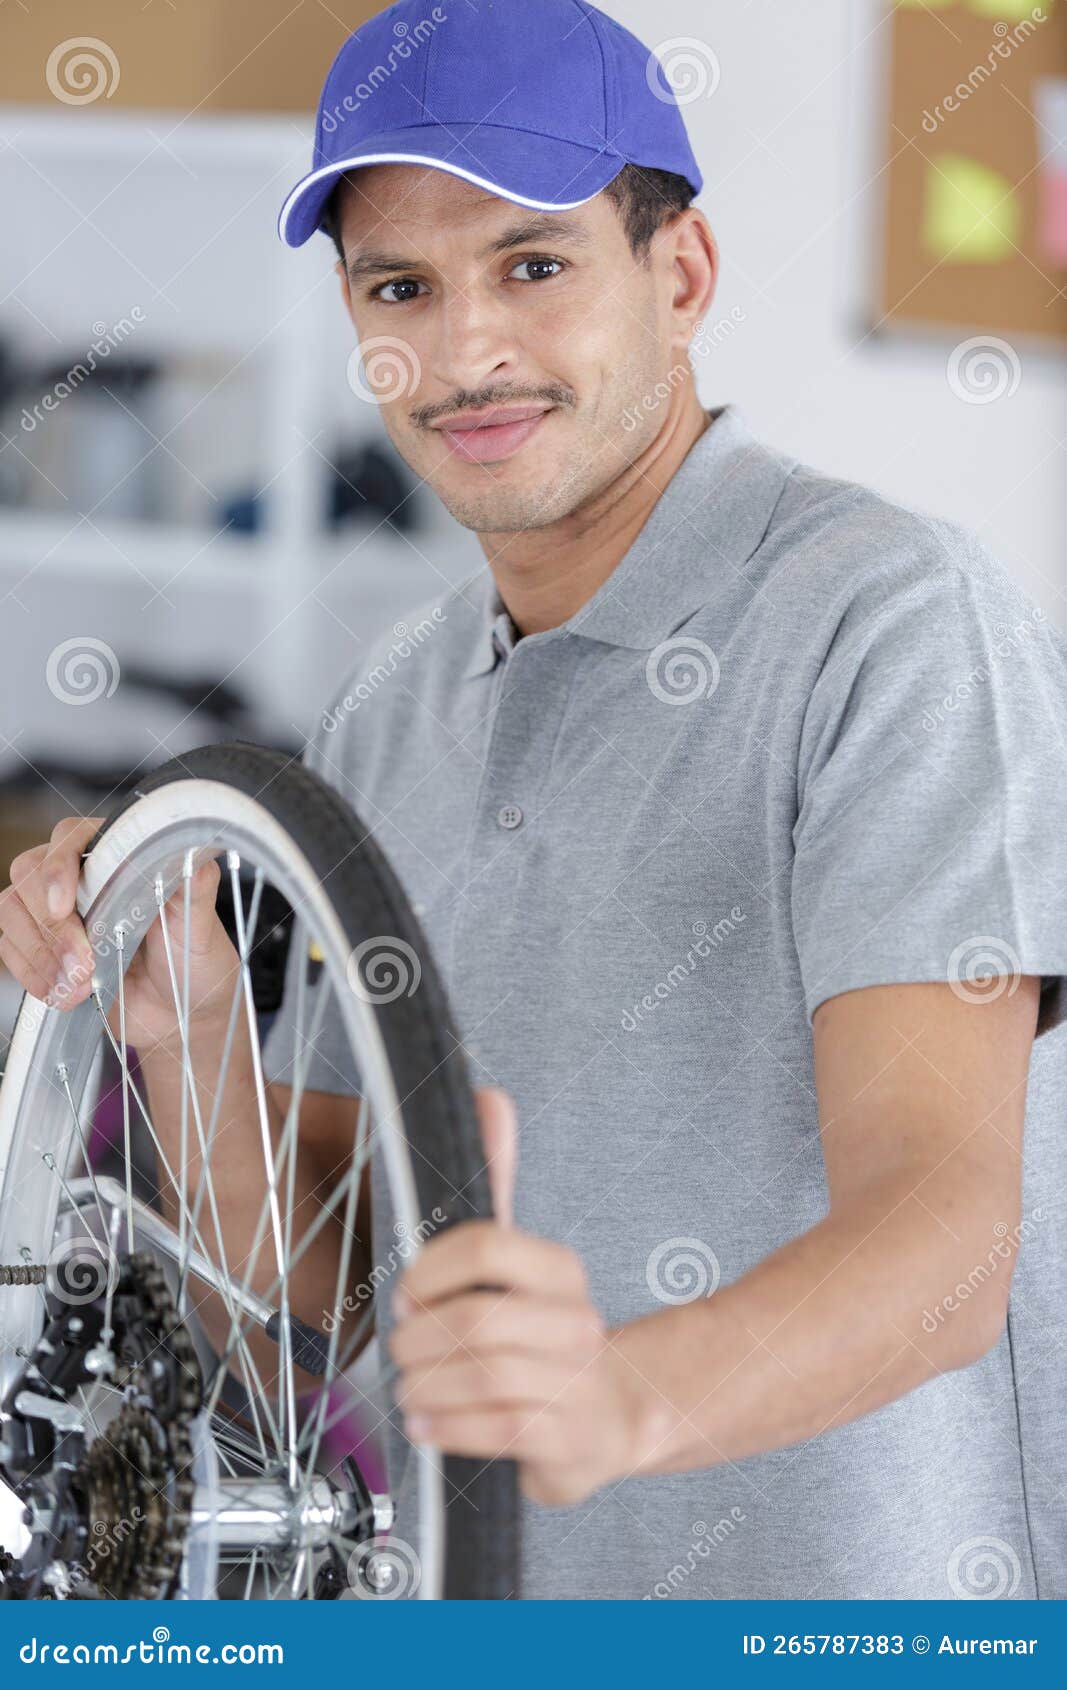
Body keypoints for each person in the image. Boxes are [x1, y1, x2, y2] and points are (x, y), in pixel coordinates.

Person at [3, 0, 1065, 1600]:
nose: (465, 353)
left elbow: (948, 1236)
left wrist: (617, 1400)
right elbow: (334, 1295)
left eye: (534, 265)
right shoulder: (394, 703)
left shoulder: (893, 624)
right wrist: (190, 1034)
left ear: (681, 273)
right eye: (402, 289)